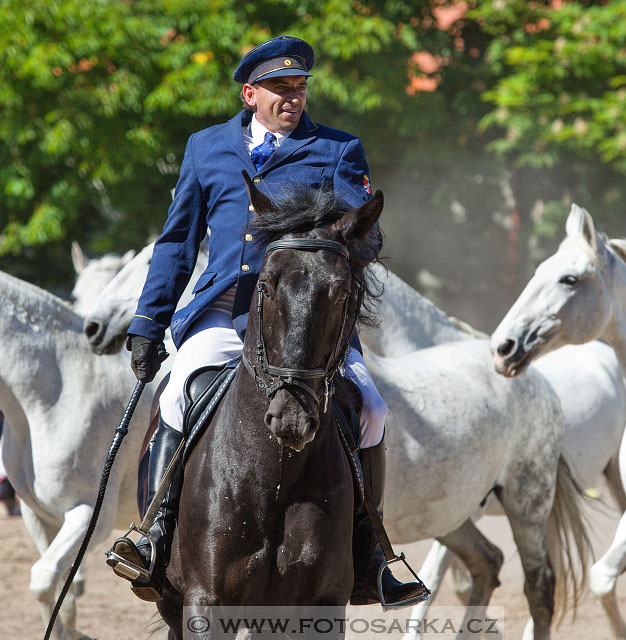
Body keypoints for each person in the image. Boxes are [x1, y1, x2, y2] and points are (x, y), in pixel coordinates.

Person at [108, 35, 426, 607]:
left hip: (306, 315)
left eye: (300, 88)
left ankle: (372, 552)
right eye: (280, 88)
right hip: (225, 308)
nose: (293, 98)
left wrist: (332, 236)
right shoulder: (206, 147)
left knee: (373, 408)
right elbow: (178, 241)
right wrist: (149, 321)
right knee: (177, 393)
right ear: (250, 94)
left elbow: (367, 235)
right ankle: (154, 535)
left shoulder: (338, 149)